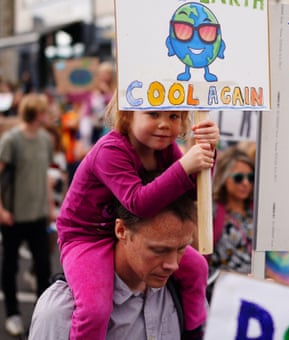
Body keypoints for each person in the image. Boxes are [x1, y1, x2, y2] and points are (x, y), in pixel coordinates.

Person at [56, 91, 219, 340]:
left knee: (197, 267)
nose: (164, 124)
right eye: (153, 114)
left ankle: (195, 332)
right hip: (86, 236)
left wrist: (208, 153)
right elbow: (138, 204)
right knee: (94, 309)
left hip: (128, 231)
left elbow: (192, 194)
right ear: (127, 115)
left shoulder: (165, 149)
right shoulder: (110, 150)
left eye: (174, 116)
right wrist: (186, 165)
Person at [29, 174, 204, 339]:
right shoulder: (61, 311)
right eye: (159, 250)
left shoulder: (184, 294)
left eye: (182, 248)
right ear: (121, 230)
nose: (173, 265)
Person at [0, 94, 54, 336]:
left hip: (37, 214)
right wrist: (1, 209)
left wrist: (50, 207)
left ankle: (42, 315)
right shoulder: (11, 141)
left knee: (43, 266)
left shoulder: (45, 140)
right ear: (37, 113)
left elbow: (45, 175)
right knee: (9, 266)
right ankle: (12, 313)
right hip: (13, 215)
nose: (48, 114)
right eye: (45, 110)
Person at [210, 147, 255, 275]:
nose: (246, 183)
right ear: (224, 178)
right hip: (220, 289)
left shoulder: (257, 211)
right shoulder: (211, 211)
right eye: (239, 177)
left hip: (255, 288)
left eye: (251, 177)